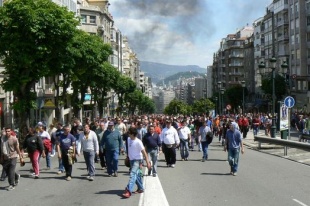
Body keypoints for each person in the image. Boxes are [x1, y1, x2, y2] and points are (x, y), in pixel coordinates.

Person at [122, 127, 151, 198]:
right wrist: (128, 157)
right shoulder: (128, 139)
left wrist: (147, 163)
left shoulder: (138, 142)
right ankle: (141, 188)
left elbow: (144, 153)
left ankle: (128, 190)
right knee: (137, 176)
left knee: (132, 174)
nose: (128, 134)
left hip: (137, 160)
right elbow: (129, 149)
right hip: (131, 160)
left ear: (133, 134)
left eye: (129, 133)